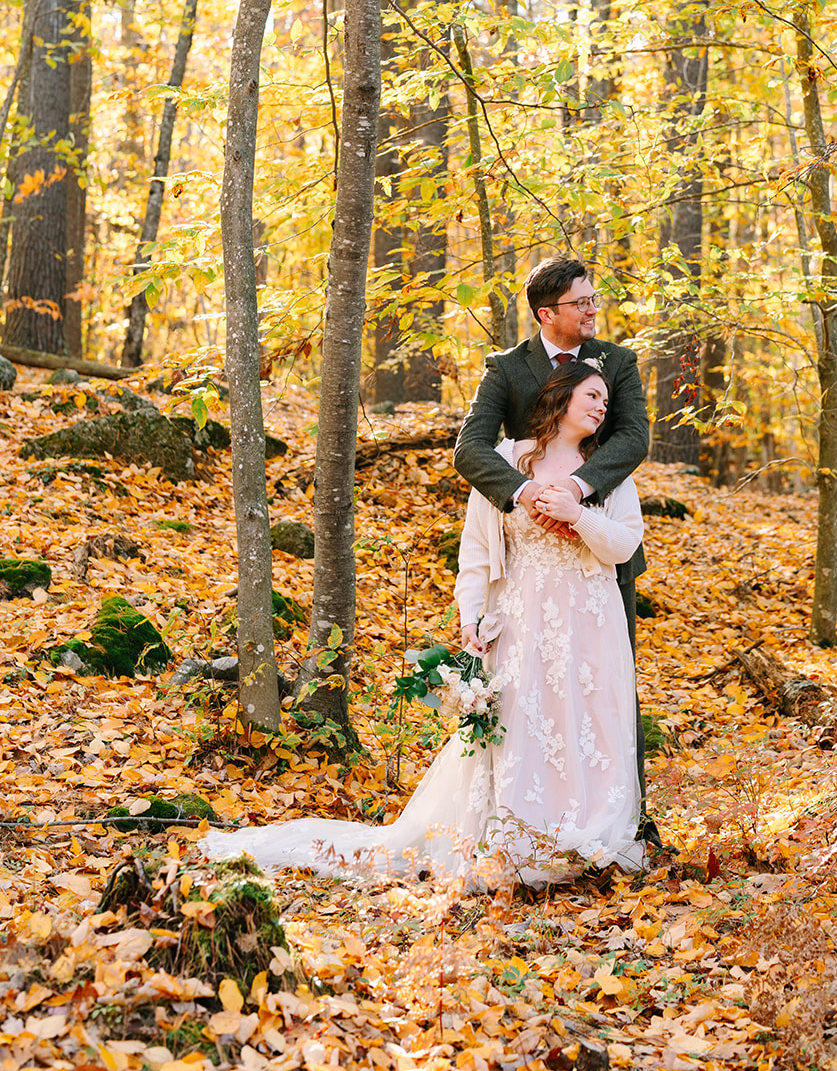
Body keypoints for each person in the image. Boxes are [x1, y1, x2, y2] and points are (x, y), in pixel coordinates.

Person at [201, 361, 644, 884]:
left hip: (592, 621)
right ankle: (521, 836)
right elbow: (476, 552)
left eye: (605, 401)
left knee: (588, 722)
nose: (601, 407)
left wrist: (579, 514)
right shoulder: (507, 460)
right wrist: (472, 615)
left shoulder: (609, 471)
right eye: (592, 396)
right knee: (527, 723)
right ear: (561, 398)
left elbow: (624, 543)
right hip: (522, 616)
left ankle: (585, 836)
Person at [453, 254, 656, 835]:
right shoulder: (507, 368)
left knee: (605, 689)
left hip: (598, 554)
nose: (594, 309)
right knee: (527, 695)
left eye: (594, 299)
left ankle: (621, 817)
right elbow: (471, 449)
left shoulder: (617, 363)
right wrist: (525, 494)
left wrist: (576, 490)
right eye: (581, 302)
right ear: (547, 313)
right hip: (524, 556)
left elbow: (634, 438)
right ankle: (524, 817)